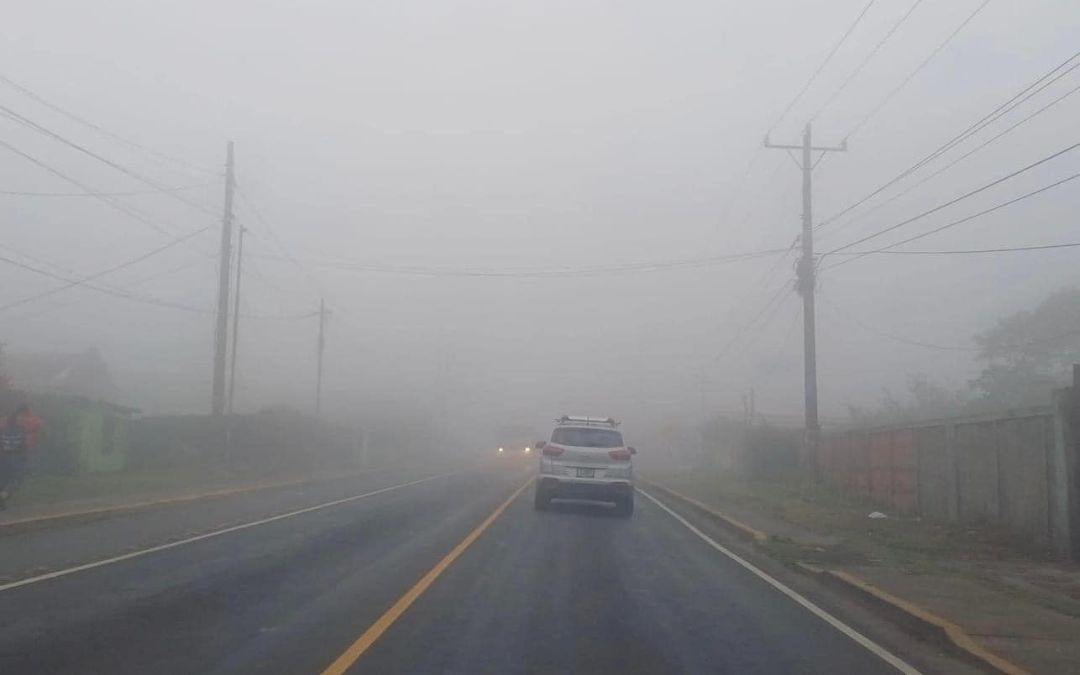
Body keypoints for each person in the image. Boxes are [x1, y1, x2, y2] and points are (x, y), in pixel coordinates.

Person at [0, 403, 43, 508]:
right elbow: (39, 425)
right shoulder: (28, 423)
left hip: (4, 455)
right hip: (18, 456)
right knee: (17, 478)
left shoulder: (4, 423)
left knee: (4, 478)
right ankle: (3, 495)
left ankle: (3, 500)